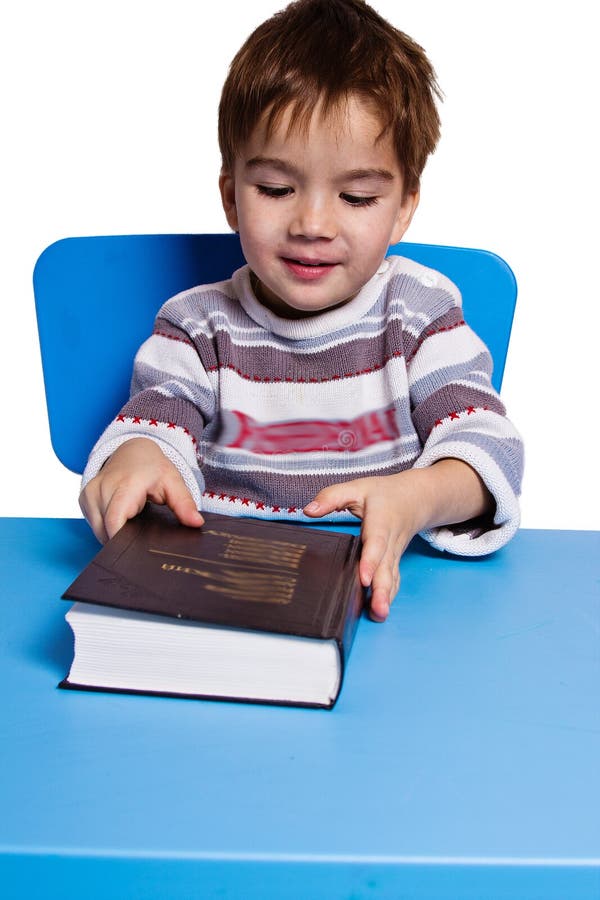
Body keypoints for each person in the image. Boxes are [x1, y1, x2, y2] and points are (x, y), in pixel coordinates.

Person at [79, 0, 524, 622]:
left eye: (357, 196)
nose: (312, 224)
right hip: (219, 590)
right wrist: (139, 458)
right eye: (275, 189)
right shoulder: (195, 325)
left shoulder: (419, 314)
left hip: (393, 593)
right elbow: (154, 425)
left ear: (403, 208)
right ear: (230, 197)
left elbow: (488, 449)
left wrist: (416, 498)